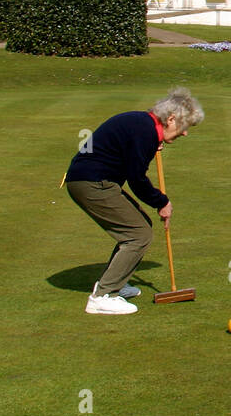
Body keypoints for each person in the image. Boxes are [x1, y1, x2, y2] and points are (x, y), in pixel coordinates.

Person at [66, 87, 204, 314]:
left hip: (93, 180)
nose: (186, 133)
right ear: (170, 119)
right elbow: (137, 179)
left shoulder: (144, 126)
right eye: (185, 126)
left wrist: (151, 145)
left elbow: (131, 160)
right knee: (137, 234)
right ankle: (102, 296)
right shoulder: (144, 131)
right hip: (91, 183)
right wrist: (161, 201)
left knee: (139, 227)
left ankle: (115, 283)